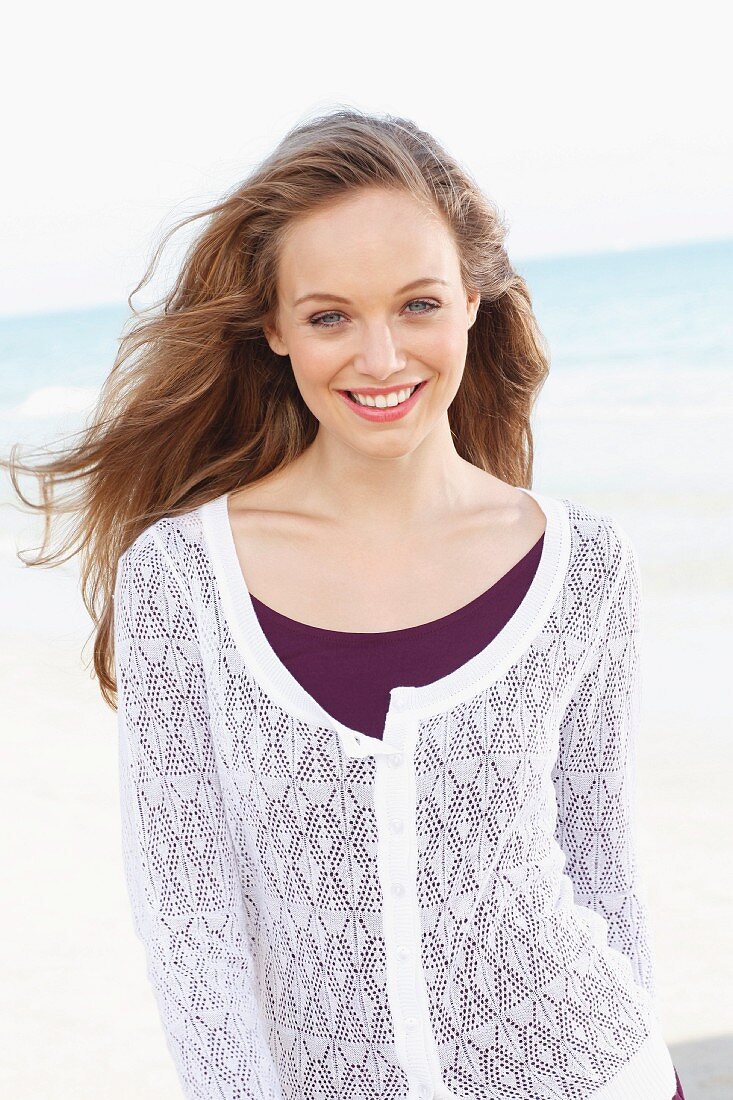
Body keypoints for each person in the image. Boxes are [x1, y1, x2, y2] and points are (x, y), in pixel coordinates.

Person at [4, 107, 686, 1099]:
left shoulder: (578, 563)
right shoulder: (184, 582)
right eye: (331, 315)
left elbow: (597, 861)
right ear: (274, 326)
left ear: (470, 301)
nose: (379, 357)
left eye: (416, 304)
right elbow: (195, 923)